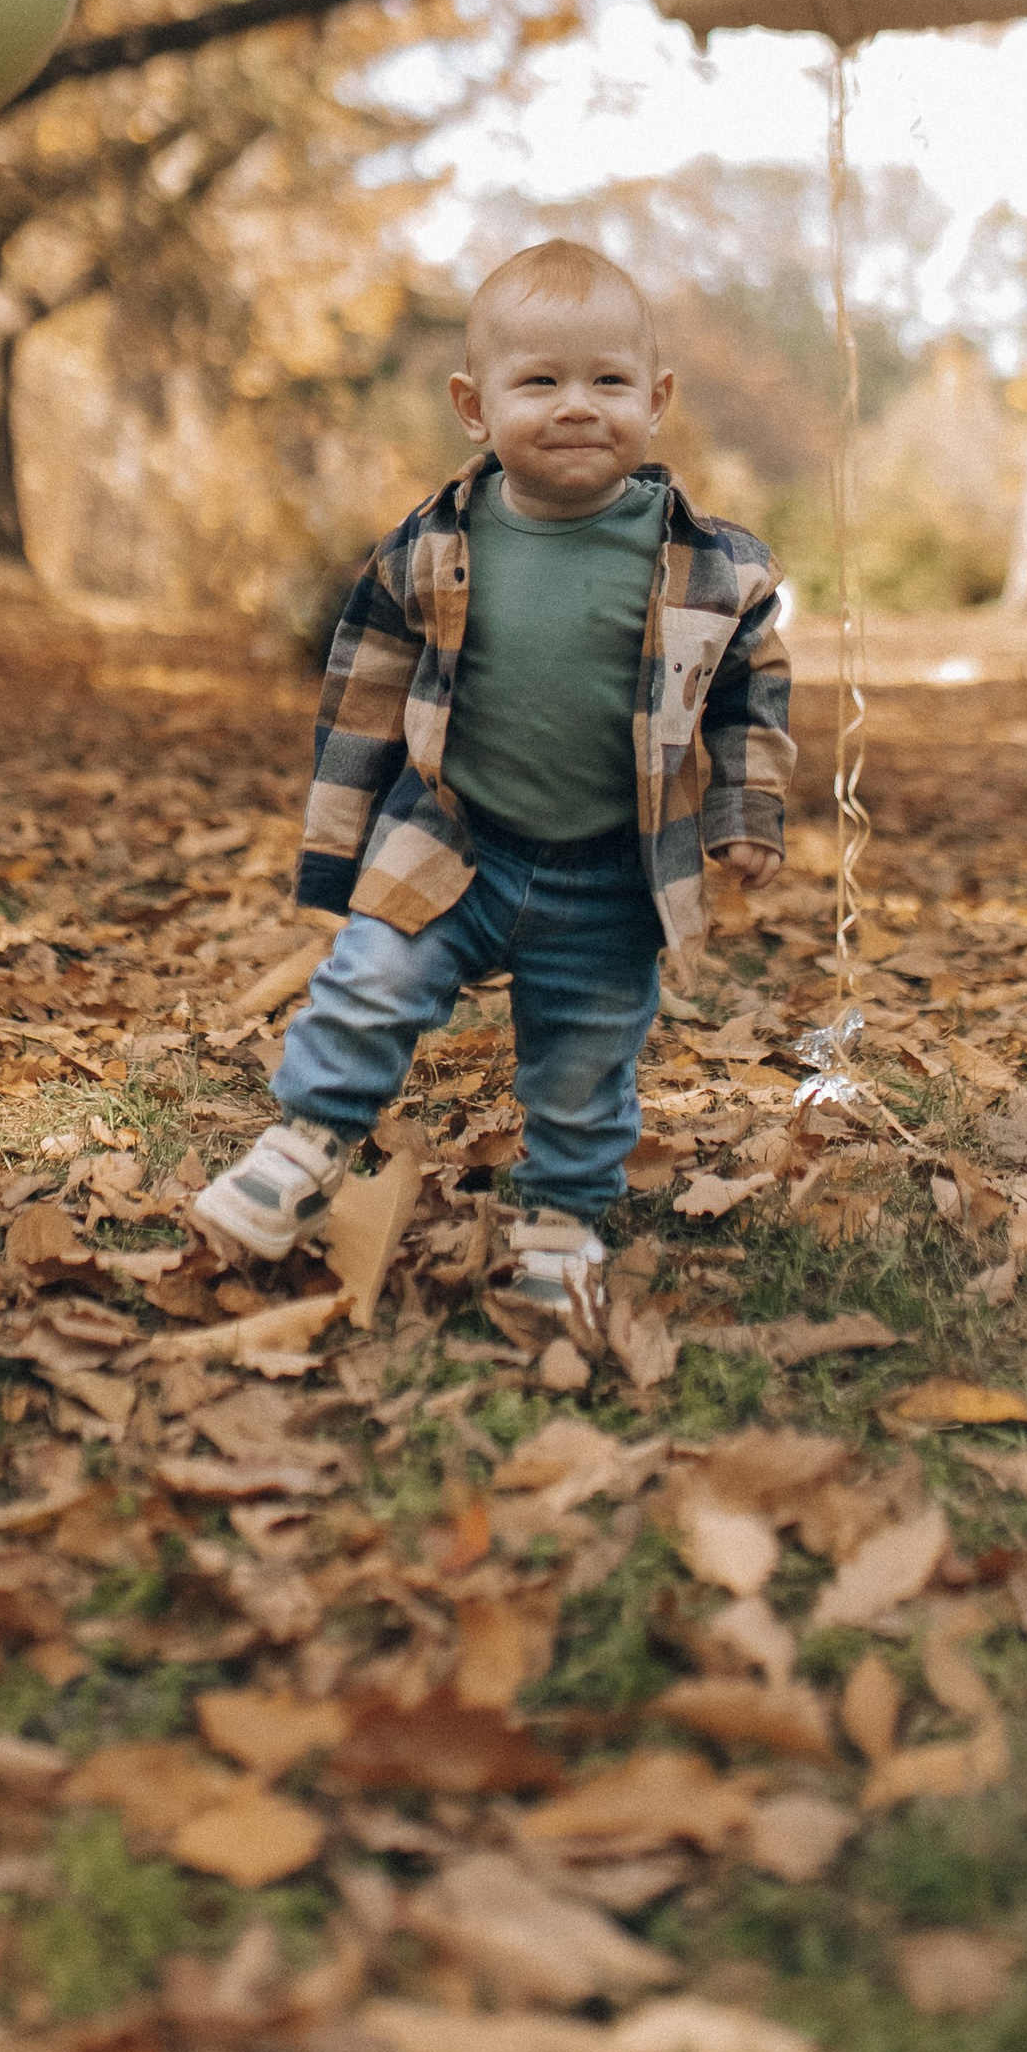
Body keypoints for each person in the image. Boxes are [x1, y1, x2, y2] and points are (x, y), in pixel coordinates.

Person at [192, 238, 793, 1346]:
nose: (577, 407)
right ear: (475, 406)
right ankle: (306, 1144)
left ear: (655, 400)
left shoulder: (714, 569)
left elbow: (749, 696)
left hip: (612, 868)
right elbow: (363, 693)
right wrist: (336, 854)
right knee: (370, 981)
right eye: (540, 381)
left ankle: (561, 1223)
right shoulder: (429, 549)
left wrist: (743, 813)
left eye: (609, 381)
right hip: (453, 839)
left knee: (584, 1057)